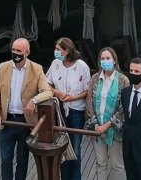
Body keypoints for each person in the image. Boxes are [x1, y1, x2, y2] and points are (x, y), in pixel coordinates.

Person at [0, 38, 54, 180]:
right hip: (7, 122)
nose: (15, 53)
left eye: (18, 51)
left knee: (22, 160)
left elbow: (48, 91)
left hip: (26, 122)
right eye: (13, 50)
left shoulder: (36, 69)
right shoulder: (3, 67)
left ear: (27, 52)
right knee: (5, 159)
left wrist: (34, 100)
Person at [46, 38, 91, 180]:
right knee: (62, 147)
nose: (56, 52)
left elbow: (88, 90)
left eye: (58, 49)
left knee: (76, 149)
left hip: (76, 111)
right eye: (56, 49)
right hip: (60, 111)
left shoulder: (82, 66)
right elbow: (46, 83)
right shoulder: (55, 64)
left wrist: (73, 98)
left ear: (67, 51)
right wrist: (56, 92)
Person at [85, 47, 129, 180]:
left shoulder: (123, 80)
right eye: (102, 59)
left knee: (117, 165)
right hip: (97, 129)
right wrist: (97, 125)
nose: (105, 61)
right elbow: (89, 102)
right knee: (100, 163)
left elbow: (124, 107)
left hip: (115, 130)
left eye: (108, 58)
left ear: (114, 61)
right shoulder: (95, 78)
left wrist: (107, 125)